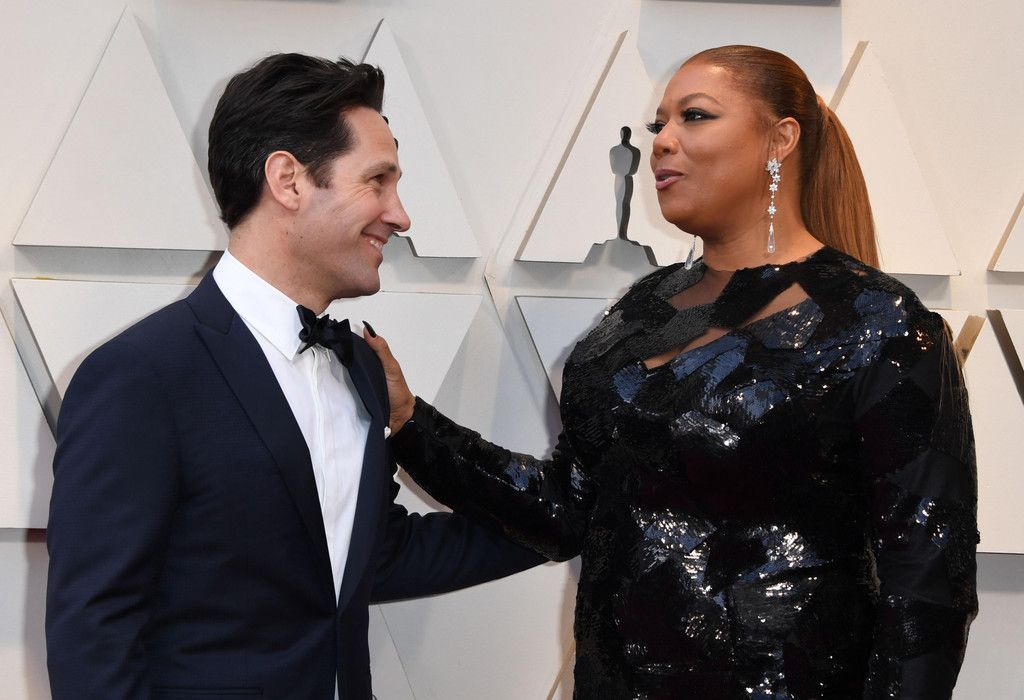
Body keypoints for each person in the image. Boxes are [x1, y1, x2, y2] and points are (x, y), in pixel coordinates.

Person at [367, 45, 979, 698]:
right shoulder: (641, 310)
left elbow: (928, 587)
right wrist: (409, 420)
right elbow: (567, 508)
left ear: (780, 139)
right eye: (659, 124)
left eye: (695, 116)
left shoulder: (879, 322)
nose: (662, 141)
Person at [44, 53, 540, 700]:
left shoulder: (360, 365)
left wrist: (573, 521)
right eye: (378, 181)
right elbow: (94, 640)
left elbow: (374, 554)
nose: (401, 215)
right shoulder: (139, 377)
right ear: (289, 180)